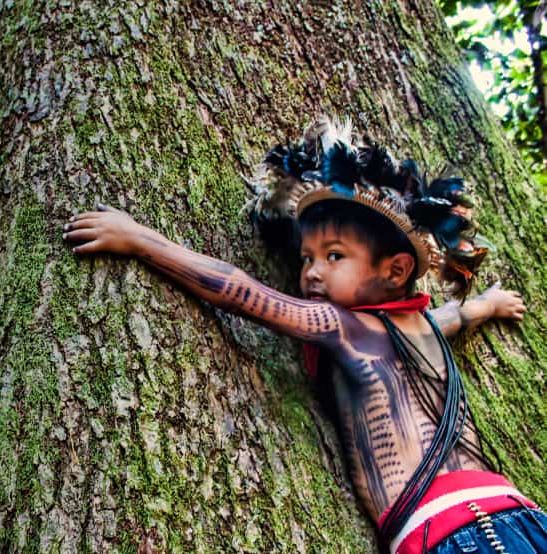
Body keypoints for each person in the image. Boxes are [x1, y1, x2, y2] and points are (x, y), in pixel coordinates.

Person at [62, 117, 544, 553]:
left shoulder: (346, 326)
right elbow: (454, 318)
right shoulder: (421, 331)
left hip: (456, 534)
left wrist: (139, 239)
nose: (311, 273)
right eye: (306, 259)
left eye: (333, 256)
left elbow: (239, 290)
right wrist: (487, 305)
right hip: (518, 517)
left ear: (396, 270)